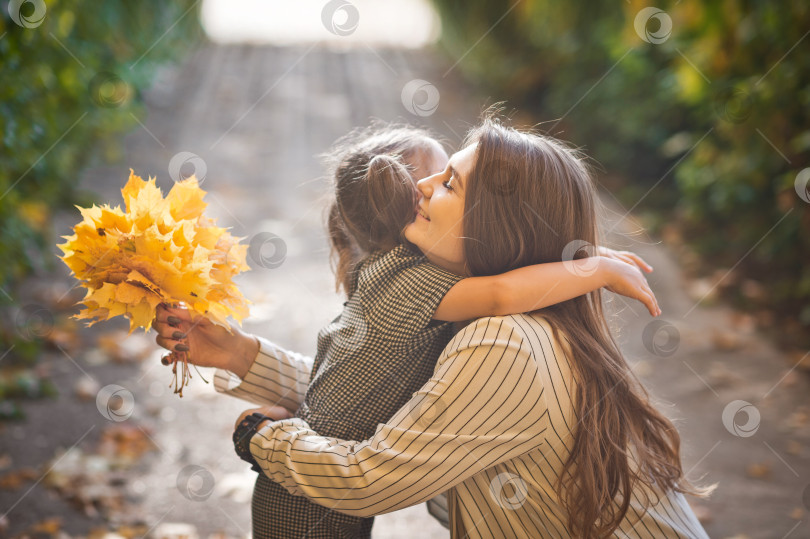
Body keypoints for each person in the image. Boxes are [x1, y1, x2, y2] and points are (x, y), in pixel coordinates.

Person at [153, 124, 661, 538]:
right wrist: (241, 356)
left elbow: (367, 475)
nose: (422, 187)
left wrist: (259, 437)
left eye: (449, 182)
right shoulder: (451, 301)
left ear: (497, 223)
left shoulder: (503, 340)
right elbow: (379, 396)